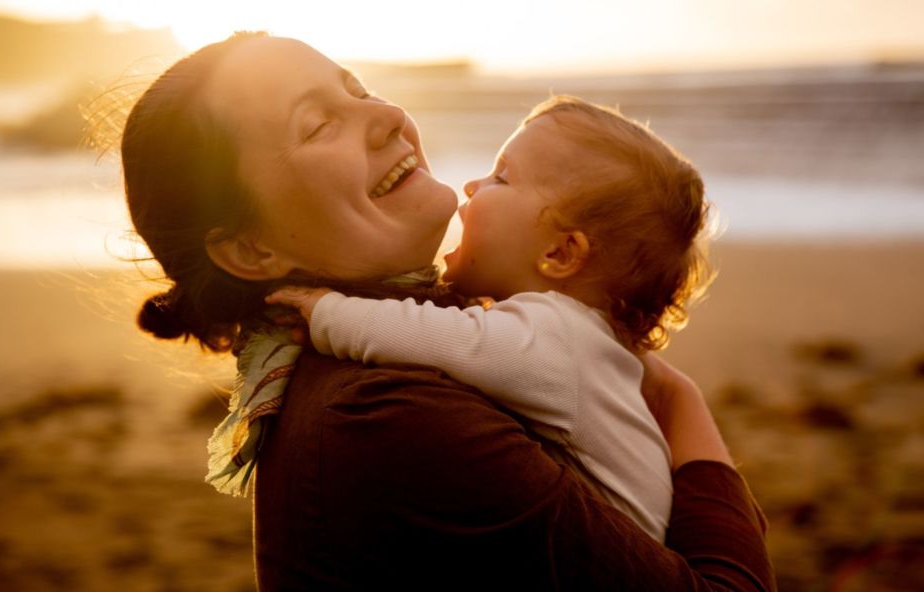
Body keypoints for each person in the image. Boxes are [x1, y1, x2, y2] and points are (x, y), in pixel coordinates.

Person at [121, 31, 775, 590]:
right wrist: (678, 403)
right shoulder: (388, 415)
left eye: (358, 88)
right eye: (318, 124)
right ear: (249, 249)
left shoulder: (405, 352)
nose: (386, 114)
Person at [264, 95, 713, 543]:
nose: (472, 186)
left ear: (559, 253)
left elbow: (439, 337)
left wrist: (326, 311)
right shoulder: (583, 344)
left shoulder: (556, 336)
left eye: (501, 177)